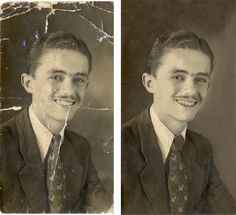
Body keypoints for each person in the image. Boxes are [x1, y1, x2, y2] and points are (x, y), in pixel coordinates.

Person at [121, 30, 236, 214]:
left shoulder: (201, 148)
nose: (191, 91)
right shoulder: (121, 145)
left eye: (200, 79)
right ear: (149, 83)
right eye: (178, 77)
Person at [0, 31, 111, 213]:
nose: (69, 91)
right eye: (56, 77)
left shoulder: (80, 147)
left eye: (79, 79)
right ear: (29, 83)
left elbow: (104, 208)